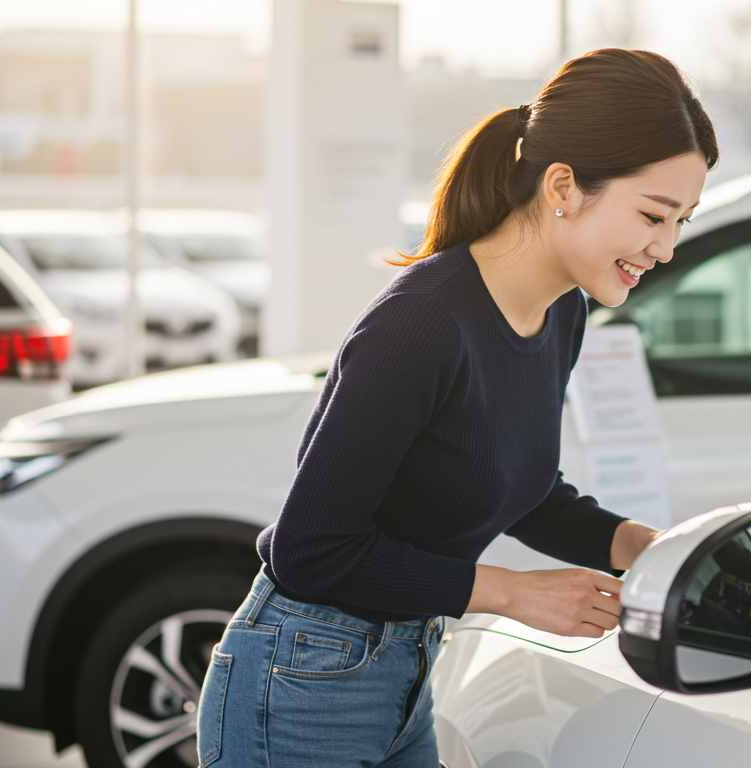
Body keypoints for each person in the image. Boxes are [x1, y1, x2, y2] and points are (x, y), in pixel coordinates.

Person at [195, 48, 718, 767]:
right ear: (563, 185)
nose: (665, 248)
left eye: (682, 221)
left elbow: (516, 488)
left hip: (403, 669)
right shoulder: (424, 323)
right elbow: (311, 549)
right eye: (654, 216)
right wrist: (513, 595)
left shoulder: (564, 311)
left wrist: (641, 547)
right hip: (302, 679)